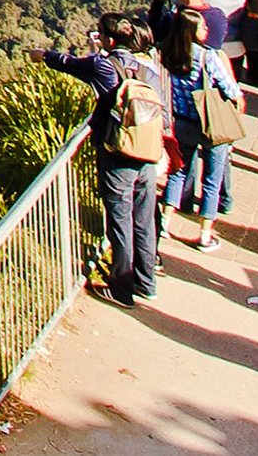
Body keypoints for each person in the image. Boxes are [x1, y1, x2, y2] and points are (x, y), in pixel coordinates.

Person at [42, 17, 169, 305]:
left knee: (120, 220)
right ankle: (146, 283)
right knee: (144, 219)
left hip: (118, 153)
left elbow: (69, 63)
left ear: (109, 40)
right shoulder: (148, 68)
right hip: (147, 152)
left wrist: (44, 56)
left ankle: (121, 288)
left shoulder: (103, 65)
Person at [161, 11, 242, 251]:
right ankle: (205, 233)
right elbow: (228, 86)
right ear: (192, 32)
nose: (207, 30)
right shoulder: (207, 57)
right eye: (202, 27)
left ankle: (165, 221)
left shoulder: (168, 55)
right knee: (212, 179)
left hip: (183, 121)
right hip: (210, 123)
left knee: (178, 172)